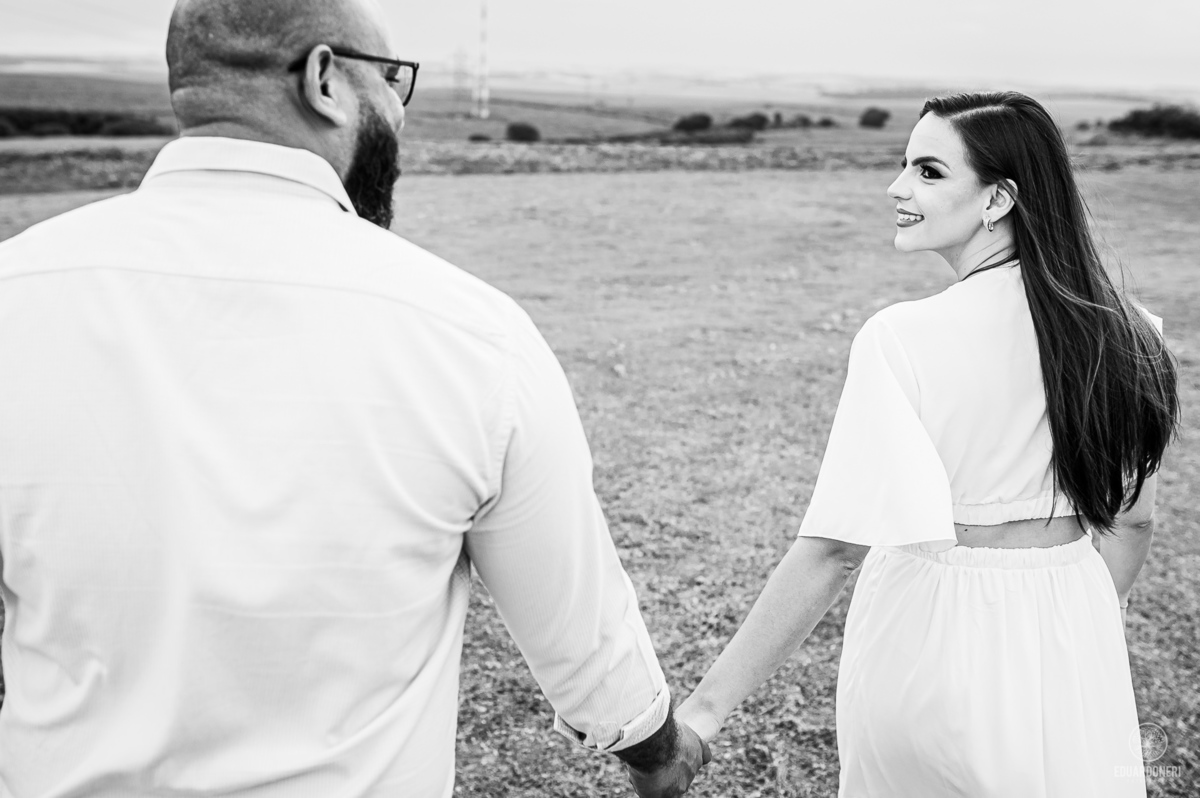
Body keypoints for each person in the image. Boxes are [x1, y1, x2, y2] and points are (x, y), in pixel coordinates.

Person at [0, 1, 708, 796]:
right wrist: (657, 750)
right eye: (394, 81)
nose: (398, 111)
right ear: (326, 79)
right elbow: (580, 631)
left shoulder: (15, 292)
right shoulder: (471, 334)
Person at [676, 91, 1178, 797]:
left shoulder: (901, 338)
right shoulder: (1132, 331)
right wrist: (1084, 616)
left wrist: (702, 714)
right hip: (1073, 616)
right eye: (904, 164)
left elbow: (831, 549)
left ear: (998, 200)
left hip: (929, 630)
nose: (897, 187)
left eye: (929, 171)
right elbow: (1134, 518)